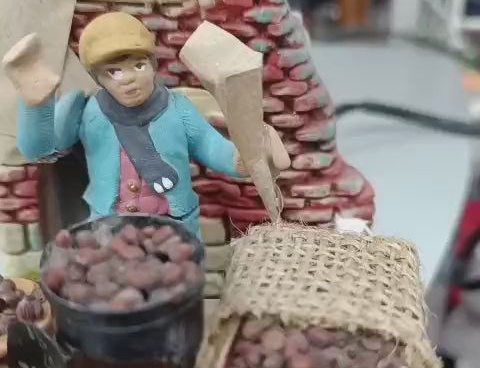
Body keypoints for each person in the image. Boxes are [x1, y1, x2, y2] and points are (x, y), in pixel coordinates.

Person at [9, 13, 289, 238]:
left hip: (173, 228)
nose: (129, 78)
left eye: (139, 66)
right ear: (97, 79)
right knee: (112, 283)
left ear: (154, 65)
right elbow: (42, 149)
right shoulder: (87, 112)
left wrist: (243, 158)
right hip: (109, 228)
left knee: (178, 283)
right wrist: (36, 106)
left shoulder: (177, 109)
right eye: (114, 72)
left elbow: (210, 146)